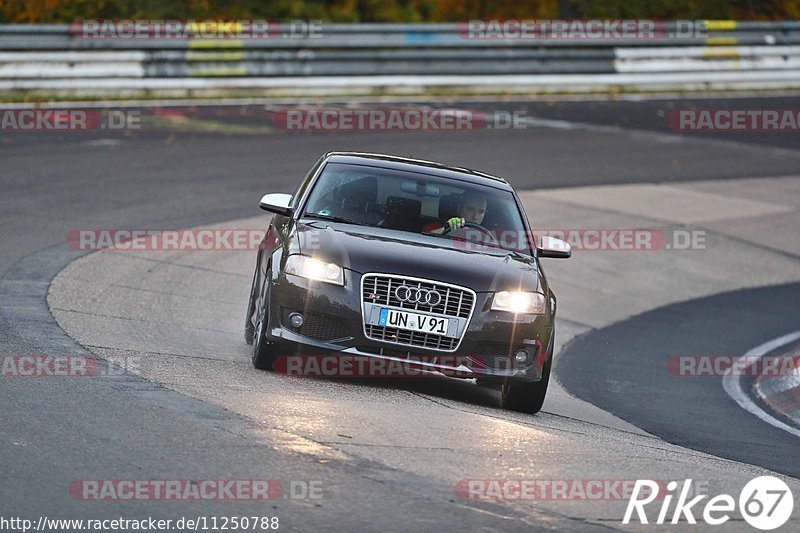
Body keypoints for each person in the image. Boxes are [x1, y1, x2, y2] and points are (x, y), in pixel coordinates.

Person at [422, 191, 487, 234]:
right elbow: (422, 243)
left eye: (481, 212)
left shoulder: (490, 235)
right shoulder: (434, 227)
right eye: (470, 210)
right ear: (459, 209)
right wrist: (446, 229)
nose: (475, 217)